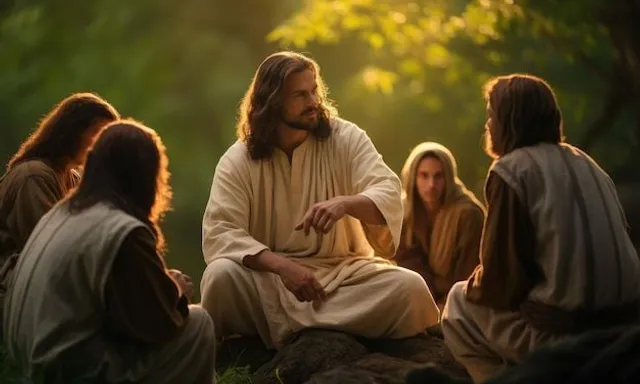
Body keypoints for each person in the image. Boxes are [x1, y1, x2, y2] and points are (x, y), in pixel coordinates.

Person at [200, 51, 438, 349]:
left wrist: (345, 204)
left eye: (314, 91)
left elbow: (388, 192)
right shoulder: (238, 160)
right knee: (220, 278)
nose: (313, 102)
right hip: (271, 280)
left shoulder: (345, 137)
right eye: (300, 95)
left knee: (410, 288)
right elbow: (221, 233)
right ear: (272, 102)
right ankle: (330, 326)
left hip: (343, 275)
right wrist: (283, 267)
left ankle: (279, 331)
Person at [440, 73, 640, 383]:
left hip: (563, 339)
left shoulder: (511, 170)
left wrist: (481, 287)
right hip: (626, 329)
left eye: (492, 115)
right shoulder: (589, 163)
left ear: (510, 120)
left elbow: (500, 281)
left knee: (456, 303)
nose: (488, 125)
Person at [2, 120, 216, 383]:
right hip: (68, 372)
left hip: (29, 365)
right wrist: (175, 293)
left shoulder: (60, 213)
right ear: (147, 176)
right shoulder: (121, 228)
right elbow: (158, 325)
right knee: (199, 324)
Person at [0, 92, 119, 327]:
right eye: (98, 134)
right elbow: (49, 252)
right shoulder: (34, 176)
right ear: (73, 130)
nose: (101, 145)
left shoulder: (72, 178)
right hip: (17, 292)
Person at [395, 142, 485, 311]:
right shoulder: (406, 212)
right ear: (413, 177)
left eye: (438, 176)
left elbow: (468, 272)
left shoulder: (468, 215)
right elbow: (407, 260)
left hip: (460, 301)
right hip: (420, 295)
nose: (431, 184)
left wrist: (446, 304)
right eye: (424, 175)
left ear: (449, 178)